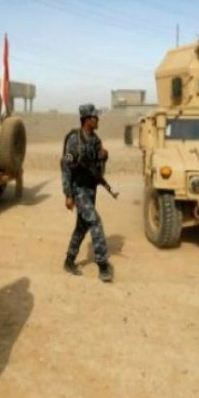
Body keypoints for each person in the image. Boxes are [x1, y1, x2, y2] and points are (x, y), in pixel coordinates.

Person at [60, 103, 114, 283]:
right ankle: (103, 264)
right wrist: (68, 194)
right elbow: (66, 166)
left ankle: (69, 261)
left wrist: (104, 156)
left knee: (82, 227)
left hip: (91, 189)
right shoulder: (74, 139)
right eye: (94, 117)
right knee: (95, 221)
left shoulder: (95, 140)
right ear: (86, 120)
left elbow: (99, 165)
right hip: (78, 189)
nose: (97, 120)